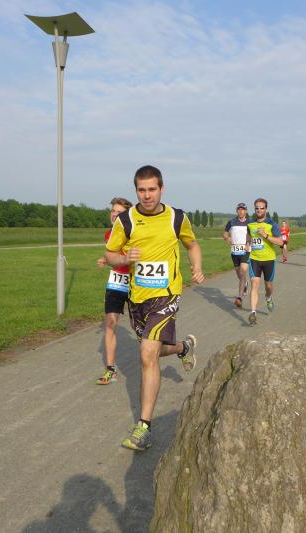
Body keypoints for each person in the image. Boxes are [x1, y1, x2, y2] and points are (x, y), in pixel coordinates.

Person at [105, 165, 205, 451]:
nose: (147, 195)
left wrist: (196, 266)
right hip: (137, 298)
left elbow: (192, 245)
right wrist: (124, 257)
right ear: (136, 191)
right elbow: (110, 255)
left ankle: (143, 427)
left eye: (152, 189)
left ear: (161, 189)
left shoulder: (176, 217)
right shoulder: (126, 220)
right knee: (151, 351)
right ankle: (183, 347)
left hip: (166, 294)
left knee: (147, 354)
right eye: (141, 190)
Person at [95, 197, 134, 385]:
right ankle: (110, 369)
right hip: (117, 281)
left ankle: (176, 349)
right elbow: (113, 254)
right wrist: (105, 259)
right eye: (113, 211)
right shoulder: (108, 234)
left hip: (135, 282)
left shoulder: (134, 233)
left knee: (139, 328)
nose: (114, 214)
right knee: (110, 323)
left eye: (119, 212)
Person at [246, 198, 283, 325]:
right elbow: (249, 236)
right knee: (254, 284)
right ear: (254, 209)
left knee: (268, 286)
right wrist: (247, 243)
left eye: (262, 208)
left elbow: (280, 242)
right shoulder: (250, 224)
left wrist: (265, 235)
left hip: (269, 260)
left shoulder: (272, 224)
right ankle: (253, 313)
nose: (259, 210)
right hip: (254, 259)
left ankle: (268, 297)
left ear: (266, 209)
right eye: (257, 208)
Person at [223, 203, 250, 307]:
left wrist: (249, 243)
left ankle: (239, 298)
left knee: (242, 272)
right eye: (239, 209)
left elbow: (253, 235)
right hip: (234, 252)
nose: (241, 211)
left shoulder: (250, 223)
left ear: (246, 211)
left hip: (246, 251)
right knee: (239, 275)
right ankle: (245, 284)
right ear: (237, 211)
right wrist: (227, 238)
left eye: (243, 209)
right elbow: (225, 233)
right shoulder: (231, 222)